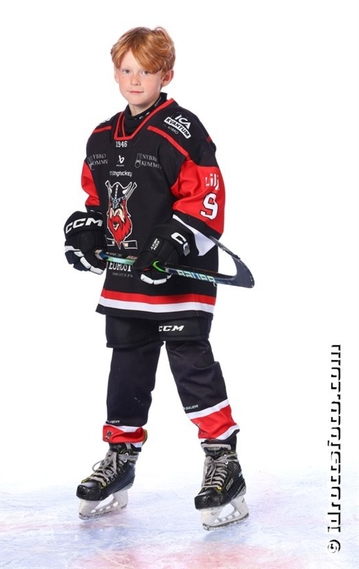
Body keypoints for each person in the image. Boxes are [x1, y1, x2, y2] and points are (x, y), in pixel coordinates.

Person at [64, 26, 248, 530]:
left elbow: (206, 198)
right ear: (115, 73)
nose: (135, 79)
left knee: (192, 366)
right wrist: (86, 231)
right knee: (127, 367)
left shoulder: (182, 129)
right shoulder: (101, 137)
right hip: (126, 282)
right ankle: (120, 457)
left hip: (180, 281)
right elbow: (98, 201)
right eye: (126, 69)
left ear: (166, 74)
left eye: (146, 71)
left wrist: (175, 239)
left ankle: (223, 460)